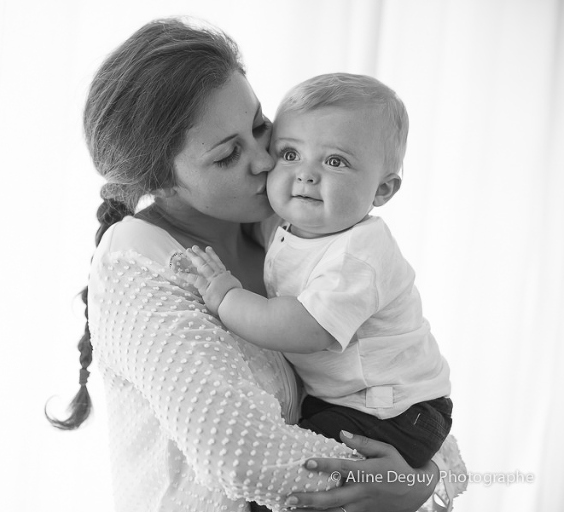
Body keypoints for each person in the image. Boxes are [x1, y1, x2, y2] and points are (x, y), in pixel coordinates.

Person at [49, 17, 466, 512]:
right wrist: (401, 479)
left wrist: (423, 477)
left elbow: (405, 379)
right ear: (160, 181)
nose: (268, 162)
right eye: (229, 155)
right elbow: (239, 456)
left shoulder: (293, 231)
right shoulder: (136, 262)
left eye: (260, 127)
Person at [179, 73, 452, 470]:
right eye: (290, 154)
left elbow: (306, 329)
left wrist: (226, 297)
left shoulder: (358, 253)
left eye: (335, 161)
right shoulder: (291, 224)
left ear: (382, 191)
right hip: (352, 400)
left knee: (288, 472)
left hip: (394, 411)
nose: (306, 174)